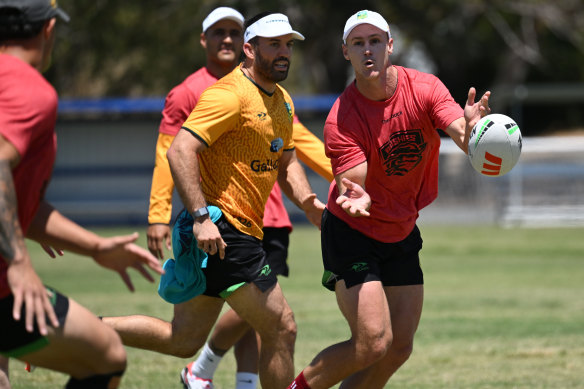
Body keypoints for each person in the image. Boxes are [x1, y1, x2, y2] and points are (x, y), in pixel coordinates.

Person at [104, 11, 325, 389]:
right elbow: (178, 151)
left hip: (228, 236)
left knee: (183, 340)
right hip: (225, 231)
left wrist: (307, 201)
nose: (284, 52)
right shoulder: (229, 94)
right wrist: (201, 217)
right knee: (281, 328)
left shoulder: (282, 101)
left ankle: (79, 330)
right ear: (250, 49)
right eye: (274, 45)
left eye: (288, 44)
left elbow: (286, 159)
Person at [288, 10, 492, 389]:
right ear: (345, 52)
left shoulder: (425, 87)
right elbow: (353, 182)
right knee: (372, 343)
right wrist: (357, 193)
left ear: (390, 45)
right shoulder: (342, 117)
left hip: (399, 228)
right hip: (352, 230)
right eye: (358, 43)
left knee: (399, 348)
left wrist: (475, 131)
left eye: (375, 41)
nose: (368, 50)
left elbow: (459, 132)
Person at [0, 1, 164, 388]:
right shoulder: (27, 88)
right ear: (48, 30)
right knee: (104, 355)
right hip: (5, 281)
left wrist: (94, 247)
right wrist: (20, 260)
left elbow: (26, 205)